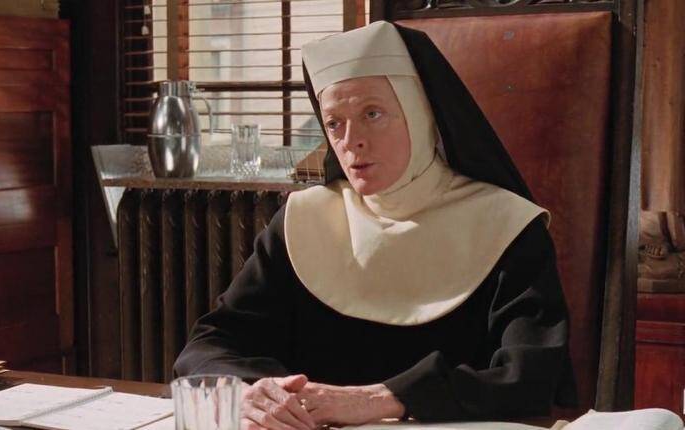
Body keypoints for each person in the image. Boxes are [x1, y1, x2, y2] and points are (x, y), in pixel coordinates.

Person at [173, 21, 577, 429]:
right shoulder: (304, 220)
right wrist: (250, 391)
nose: (352, 141)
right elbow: (208, 345)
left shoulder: (507, 226)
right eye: (334, 123)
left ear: (421, 114)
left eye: (372, 114)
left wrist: (380, 400)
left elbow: (531, 379)